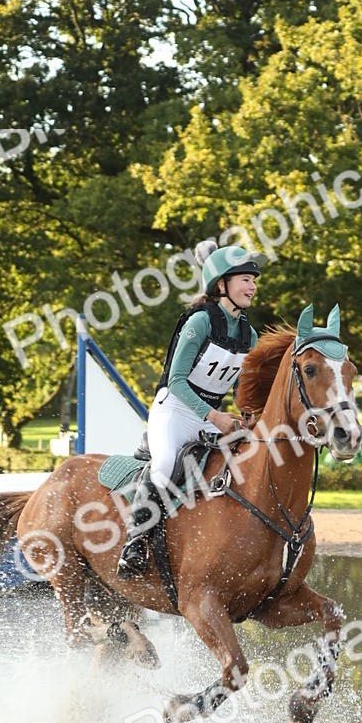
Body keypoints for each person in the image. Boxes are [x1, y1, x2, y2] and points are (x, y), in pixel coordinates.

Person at [117, 239, 268, 578]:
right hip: (174, 410)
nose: (253, 286)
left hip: (211, 416)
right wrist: (213, 415)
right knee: (167, 463)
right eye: (245, 278)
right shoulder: (199, 322)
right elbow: (177, 381)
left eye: (253, 279)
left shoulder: (249, 333)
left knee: (247, 458)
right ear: (221, 285)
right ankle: (134, 544)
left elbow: (249, 385)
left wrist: (249, 415)